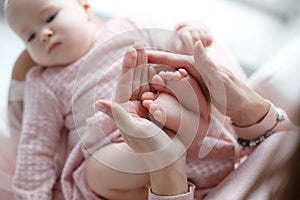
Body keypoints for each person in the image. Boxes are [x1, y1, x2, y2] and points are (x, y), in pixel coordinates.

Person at [1, 0, 243, 199]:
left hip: (166, 119)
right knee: (97, 172)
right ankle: (165, 152)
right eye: (30, 36)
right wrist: (31, 195)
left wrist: (189, 32)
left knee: (177, 91)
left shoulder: (126, 28)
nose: (43, 34)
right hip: (116, 150)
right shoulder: (42, 82)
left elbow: (180, 50)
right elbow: (35, 146)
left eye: (50, 17)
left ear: (85, 9)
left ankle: (175, 138)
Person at [94, 41, 299, 199]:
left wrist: (167, 168)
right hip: (234, 154)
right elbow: (287, 156)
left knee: (96, 172)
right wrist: (250, 110)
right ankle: (184, 123)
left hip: (170, 184)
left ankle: (178, 129)